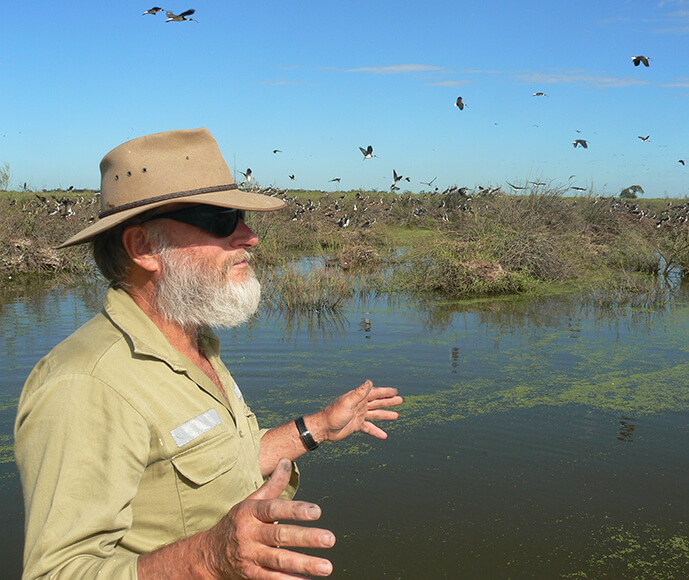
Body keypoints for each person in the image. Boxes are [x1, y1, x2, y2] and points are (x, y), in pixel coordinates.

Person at [14, 128, 403, 579]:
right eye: (220, 220)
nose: (250, 237)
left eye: (238, 215)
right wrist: (210, 558)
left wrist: (316, 427)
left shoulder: (191, 343)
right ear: (143, 248)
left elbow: (222, 465)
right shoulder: (85, 385)